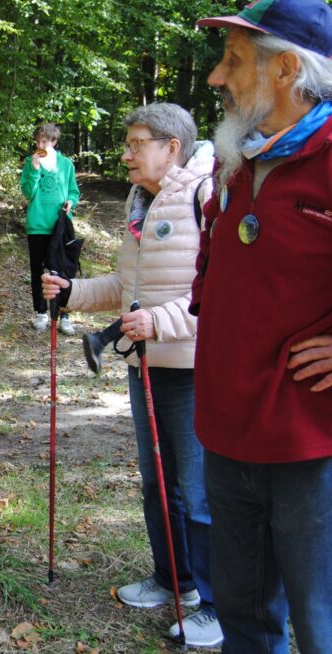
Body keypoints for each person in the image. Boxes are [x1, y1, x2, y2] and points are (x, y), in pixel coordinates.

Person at [43, 103, 221, 648]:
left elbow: (222, 289)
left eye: (136, 142)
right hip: (147, 365)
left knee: (197, 492)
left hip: (194, 368)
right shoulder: (140, 201)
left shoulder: (208, 194)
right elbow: (126, 287)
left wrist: (160, 322)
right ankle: (175, 581)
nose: (125, 152)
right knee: (157, 483)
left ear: (172, 146)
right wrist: (72, 293)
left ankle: (217, 605)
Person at [192, 0, 332, 652]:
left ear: (285, 68)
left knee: (320, 624)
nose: (218, 75)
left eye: (234, 58)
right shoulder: (235, 160)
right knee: (243, 621)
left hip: (312, 442)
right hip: (226, 431)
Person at [21, 123, 80, 335]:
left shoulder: (65, 164)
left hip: (60, 225)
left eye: (44, 141)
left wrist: (71, 202)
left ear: (54, 142)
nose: (40, 145)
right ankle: (41, 312)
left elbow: (73, 191)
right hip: (37, 225)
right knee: (38, 271)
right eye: (38, 141)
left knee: (63, 271)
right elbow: (28, 192)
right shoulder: (30, 162)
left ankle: (64, 314)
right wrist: (35, 171)